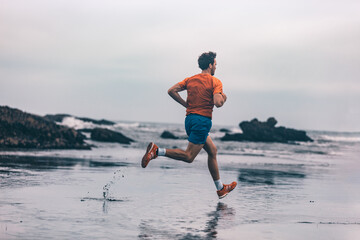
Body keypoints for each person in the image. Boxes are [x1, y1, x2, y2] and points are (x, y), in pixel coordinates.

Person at [141, 51, 237, 199]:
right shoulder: (215, 81)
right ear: (210, 65)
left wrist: (185, 104)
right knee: (189, 156)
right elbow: (218, 103)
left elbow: (171, 91)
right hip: (202, 121)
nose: (216, 67)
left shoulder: (190, 80)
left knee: (212, 151)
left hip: (190, 120)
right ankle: (157, 151)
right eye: (215, 64)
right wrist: (224, 97)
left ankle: (220, 189)